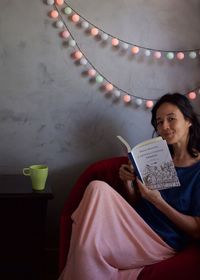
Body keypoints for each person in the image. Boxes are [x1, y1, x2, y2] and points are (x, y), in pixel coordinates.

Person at [58, 93, 200, 280]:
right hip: (135, 225)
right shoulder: (157, 157)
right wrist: (129, 184)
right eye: (159, 122)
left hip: (161, 240)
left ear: (188, 121)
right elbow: (136, 202)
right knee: (97, 187)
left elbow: (197, 230)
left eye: (171, 119)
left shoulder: (197, 170)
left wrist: (158, 202)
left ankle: (86, 260)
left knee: (86, 247)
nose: (164, 126)